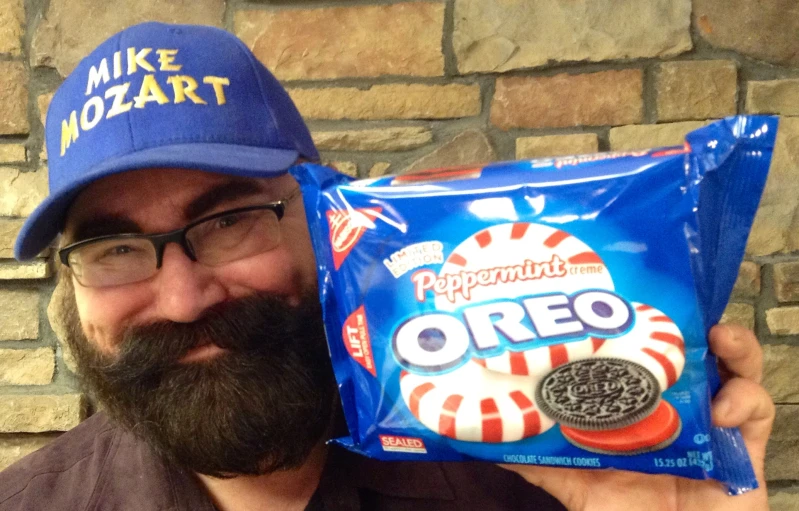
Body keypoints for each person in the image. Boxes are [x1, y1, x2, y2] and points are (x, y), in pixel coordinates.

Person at [0, 22, 773, 511]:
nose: (180, 296)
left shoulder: (533, 475)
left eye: (229, 220)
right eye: (111, 249)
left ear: (332, 223)